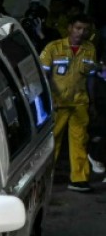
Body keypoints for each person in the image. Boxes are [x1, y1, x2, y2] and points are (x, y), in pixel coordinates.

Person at [40, 14, 99, 192]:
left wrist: (93, 101)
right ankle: (44, 178)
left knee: (80, 141)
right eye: (78, 28)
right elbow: (42, 77)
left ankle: (79, 179)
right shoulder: (53, 48)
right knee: (52, 142)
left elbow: (90, 78)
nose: (81, 33)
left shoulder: (89, 50)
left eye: (85, 30)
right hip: (57, 104)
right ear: (70, 28)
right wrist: (46, 101)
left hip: (79, 104)